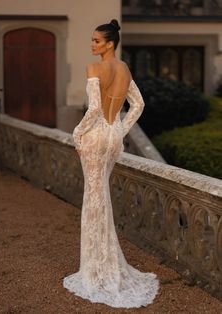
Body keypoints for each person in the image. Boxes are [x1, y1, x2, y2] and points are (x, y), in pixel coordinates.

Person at [63, 19, 159, 308]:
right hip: (113, 137)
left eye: (96, 41)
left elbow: (93, 108)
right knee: (100, 197)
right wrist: (119, 129)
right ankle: (103, 264)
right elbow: (138, 105)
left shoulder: (94, 69)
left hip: (94, 137)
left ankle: (96, 271)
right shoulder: (125, 69)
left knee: (94, 200)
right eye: (92, 40)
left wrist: (77, 134)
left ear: (109, 43)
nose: (91, 45)